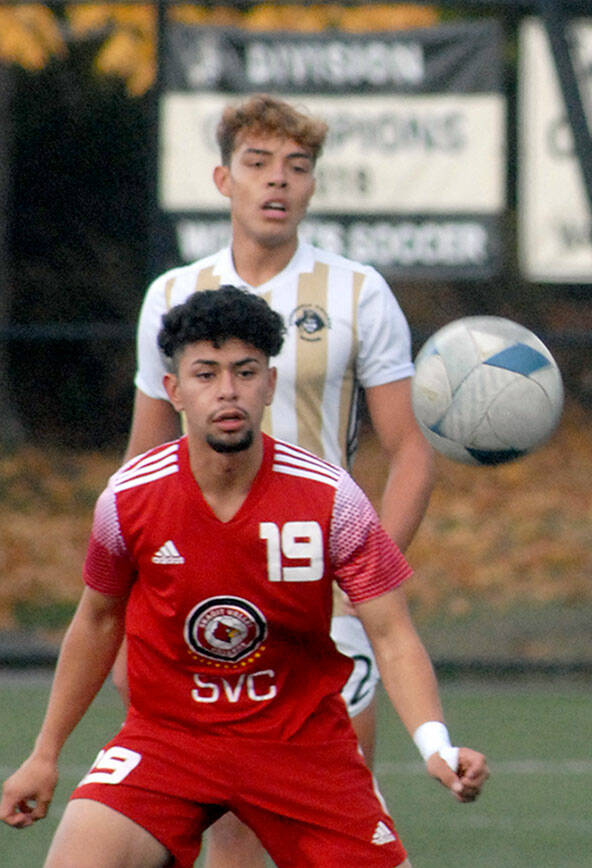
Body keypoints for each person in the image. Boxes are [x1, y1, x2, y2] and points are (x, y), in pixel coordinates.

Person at [1, 287, 486, 867]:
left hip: (300, 746)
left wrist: (435, 743)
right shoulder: (128, 498)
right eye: (206, 374)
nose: (227, 390)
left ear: (271, 385)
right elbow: (97, 620)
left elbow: (391, 632)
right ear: (175, 390)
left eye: (245, 371)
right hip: (169, 741)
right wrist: (45, 753)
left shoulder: (332, 498)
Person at [121, 93, 437, 865]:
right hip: (202, 591)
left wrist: (362, 583)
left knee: (333, 800)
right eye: (259, 164)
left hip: (317, 588)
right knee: (228, 815)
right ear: (224, 179)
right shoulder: (171, 295)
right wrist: (138, 587)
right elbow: (140, 463)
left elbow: (412, 452)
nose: (278, 182)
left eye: (296, 168)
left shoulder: (358, 293)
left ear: (312, 187)